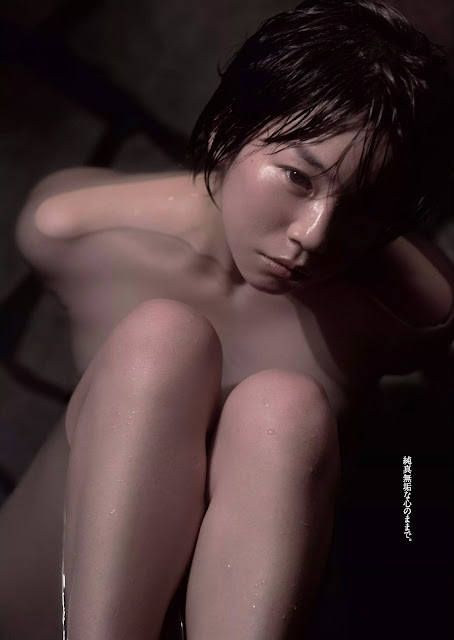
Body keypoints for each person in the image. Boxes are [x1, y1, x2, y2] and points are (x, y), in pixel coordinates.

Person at [1, 0, 454, 638]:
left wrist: (407, 521)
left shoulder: (410, 307)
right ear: (225, 132)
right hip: (56, 588)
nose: (315, 236)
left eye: (365, 207)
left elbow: (415, 476)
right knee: (163, 341)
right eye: (297, 177)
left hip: (253, 607)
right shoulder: (76, 233)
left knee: (285, 409)